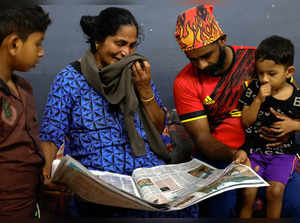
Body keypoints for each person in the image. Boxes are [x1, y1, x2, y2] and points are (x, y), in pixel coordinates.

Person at [40, 7, 198, 218]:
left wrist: (145, 89)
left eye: (132, 45)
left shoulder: (137, 72)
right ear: (98, 41)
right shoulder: (69, 79)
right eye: (120, 43)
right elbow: (51, 133)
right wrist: (46, 173)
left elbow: (158, 128)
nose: (126, 53)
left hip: (145, 173)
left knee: (185, 207)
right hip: (99, 181)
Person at [173, 4, 300, 217]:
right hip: (223, 156)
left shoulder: (257, 62)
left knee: (295, 203)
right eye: (193, 59)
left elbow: (286, 103)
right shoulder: (184, 82)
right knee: (220, 210)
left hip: (267, 150)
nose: (201, 65)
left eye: (206, 55)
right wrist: (234, 154)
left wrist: (286, 129)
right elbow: (203, 139)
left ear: (222, 40)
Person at [238, 35, 300, 218]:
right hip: (255, 151)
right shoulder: (253, 89)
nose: (264, 79)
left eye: (271, 74)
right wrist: (258, 100)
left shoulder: (296, 97)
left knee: (275, 192)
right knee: (248, 192)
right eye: (260, 73)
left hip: (283, 154)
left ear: (288, 72)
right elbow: (246, 121)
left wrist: (293, 125)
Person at [0, 3, 51, 219]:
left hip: (30, 201)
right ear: (14, 44)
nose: (41, 52)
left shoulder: (24, 88)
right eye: (37, 44)